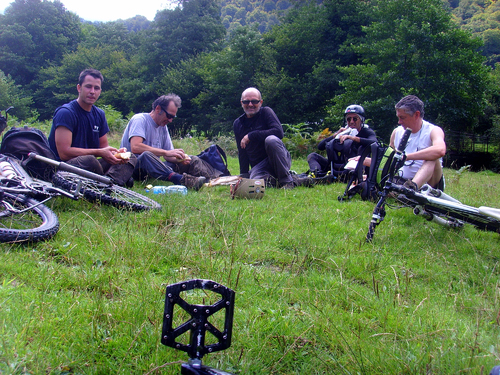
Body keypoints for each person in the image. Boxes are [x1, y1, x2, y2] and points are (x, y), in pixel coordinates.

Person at [48, 68, 136, 187]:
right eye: (88, 87)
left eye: (96, 88)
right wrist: (99, 152)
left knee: (131, 157)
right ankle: (110, 183)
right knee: (89, 160)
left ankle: (108, 185)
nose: (92, 92)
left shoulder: (99, 114)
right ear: (79, 88)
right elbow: (64, 153)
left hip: (91, 165)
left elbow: (104, 147)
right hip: (65, 166)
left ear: (100, 91)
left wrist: (117, 154)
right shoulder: (66, 112)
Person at [120, 94, 213, 190]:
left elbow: (168, 155)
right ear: (158, 109)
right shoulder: (140, 119)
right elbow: (135, 147)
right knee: (146, 155)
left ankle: (210, 179)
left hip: (153, 169)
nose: (170, 120)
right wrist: (166, 152)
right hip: (133, 167)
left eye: (173, 117)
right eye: (169, 116)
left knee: (192, 158)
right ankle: (181, 179)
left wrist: (179, 159)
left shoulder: (163, 127)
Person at [233, 87, 310, 189]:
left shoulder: (266, 112)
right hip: (260, 167)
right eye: (246, 101)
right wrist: (243, 176)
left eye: (254, 101)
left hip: (279, 158)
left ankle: (287, 182)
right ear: (241, 103)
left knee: (271, 140)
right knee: (255, 183)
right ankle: (297, 180)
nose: (250, 104)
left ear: (260, 102)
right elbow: (242, 151)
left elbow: (279, 132)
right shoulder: (238, 124)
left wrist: (251, 135)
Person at [390, 95, 446, 190]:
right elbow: (389, 159)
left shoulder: (433, 130)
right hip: (401, 179)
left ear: (416, 115)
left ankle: (410, 189)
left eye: (402, 117)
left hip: (430, 183)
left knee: (432, 156)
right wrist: (362, 160)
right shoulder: (396, 132)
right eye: (398, 117)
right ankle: (403, 192)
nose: (399, 122)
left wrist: (407, 157)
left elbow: (440, 150)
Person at [307, 105, 377, 177]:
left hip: (354, 166)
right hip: (336, 166)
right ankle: (316, 174)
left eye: (355, 119)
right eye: (349, 119)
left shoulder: (366, 131)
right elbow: (320, 147)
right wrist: (336, 135)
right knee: (312, 156)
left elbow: (374, 142)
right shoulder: (344, 132)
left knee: (362, 148)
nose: (352, 122)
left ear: (361, 120)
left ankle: (356, 175)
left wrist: (353, 138)